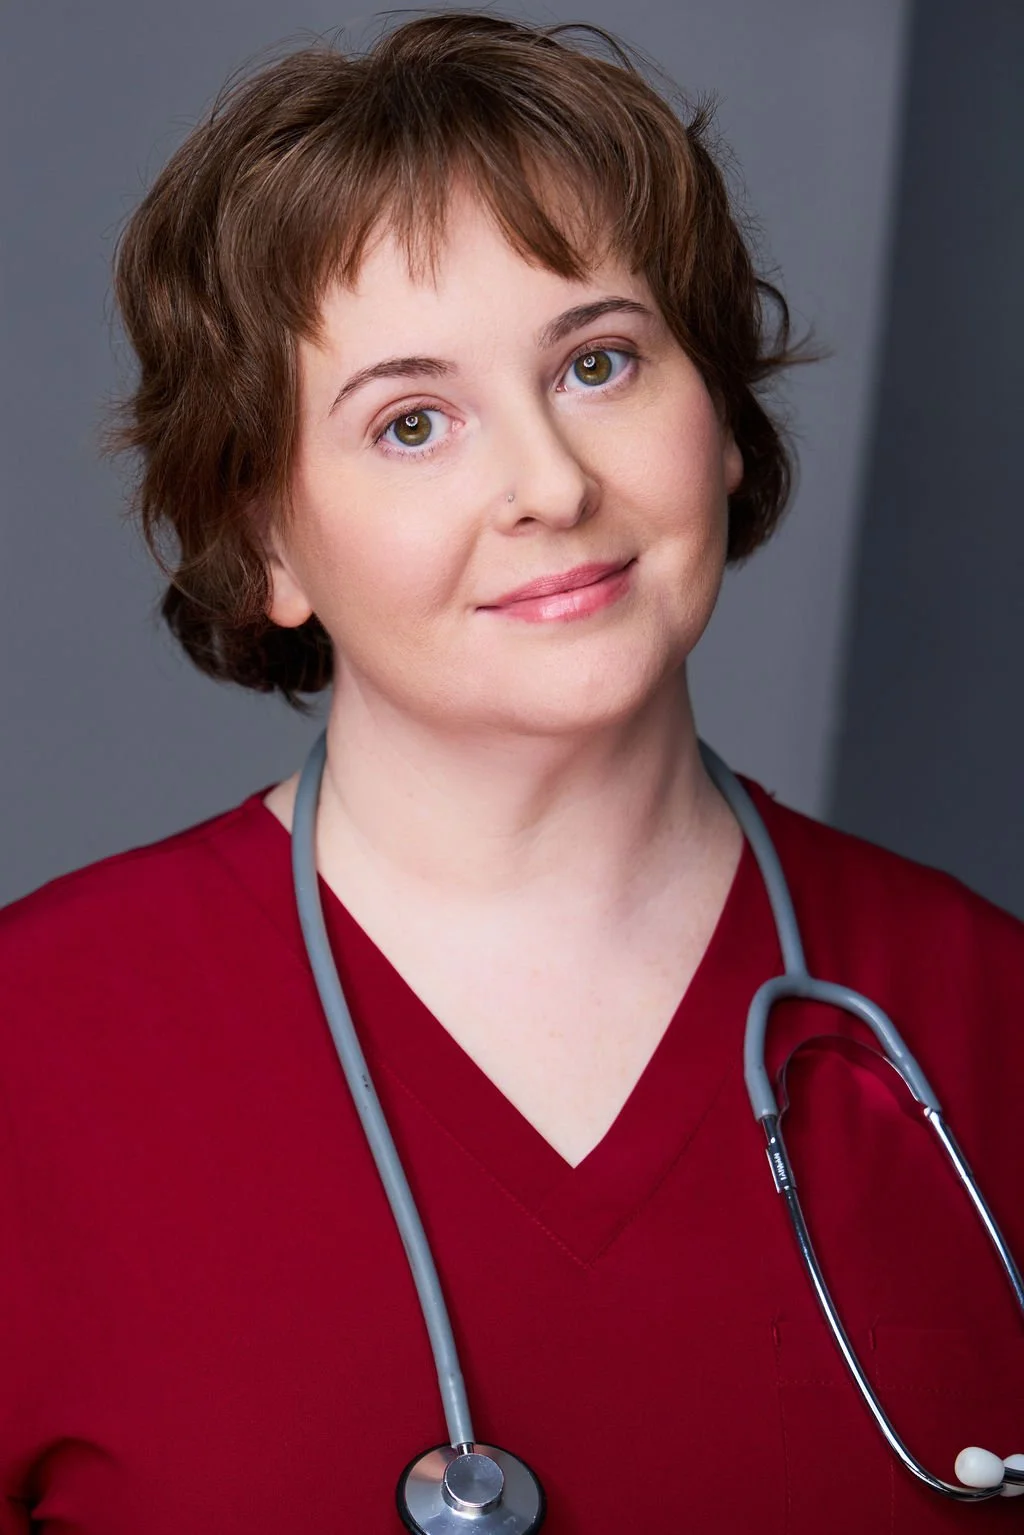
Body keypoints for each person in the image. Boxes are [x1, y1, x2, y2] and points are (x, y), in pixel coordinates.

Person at [1, 11, 1021, 1532]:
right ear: (266, 538)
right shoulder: (38, 1048)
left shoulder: (982, 1011)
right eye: (412, 422)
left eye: (600, 362)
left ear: (723, 423)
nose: (548, 482)